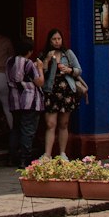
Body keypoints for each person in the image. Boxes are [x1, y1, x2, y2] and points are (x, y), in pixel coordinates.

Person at [41, 28, 83, 157]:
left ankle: (62, 153)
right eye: (54, 39)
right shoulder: (44, 54)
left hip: (66, 90)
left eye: (59, 39)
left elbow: (79, 70)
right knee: (50, 123)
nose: (57, 41)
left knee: (64, 123)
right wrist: (47, 60)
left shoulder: (68, 53)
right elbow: (41, 72)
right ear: (49, 40)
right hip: (51, 90)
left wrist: (69, 70)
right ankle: (47, 154)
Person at [5, 36, 44, 166]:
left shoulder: (9, 62)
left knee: (15, 129)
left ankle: (12, 157)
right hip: (29, 101)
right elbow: (39, 82)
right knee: (28, 131)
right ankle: (24, 159)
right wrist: (40, 68)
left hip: (15, 100)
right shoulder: (28, 64)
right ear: (29, 51)